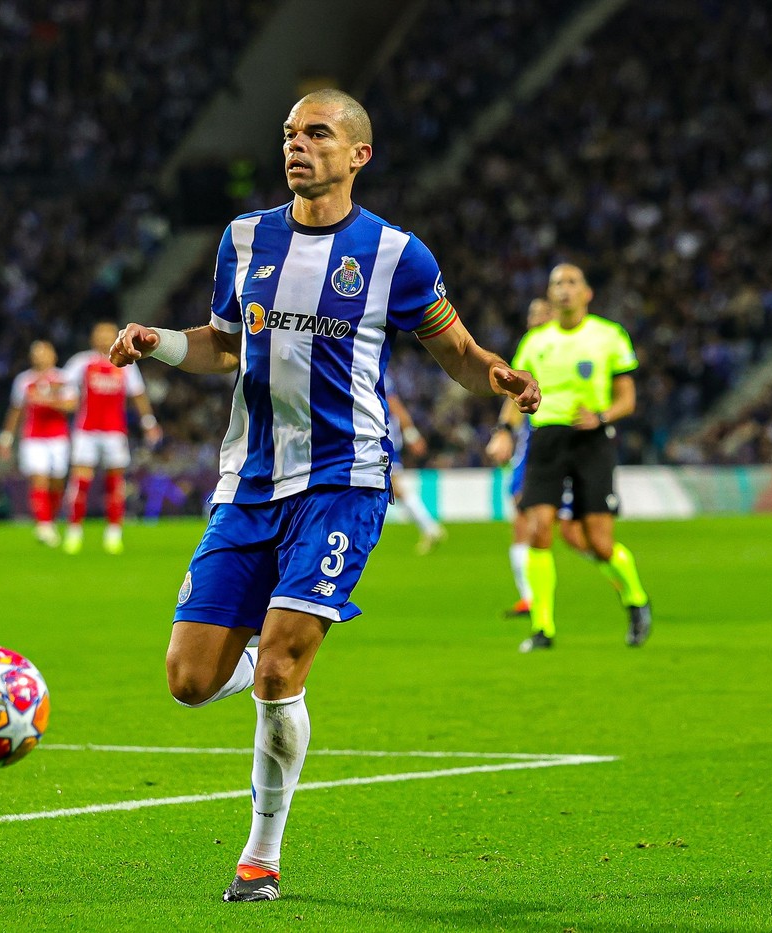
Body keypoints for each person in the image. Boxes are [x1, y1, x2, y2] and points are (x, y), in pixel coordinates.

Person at [108, 89, 540, 902]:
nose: (297, 145)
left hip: (345, 482)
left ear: (358, 155)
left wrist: (496, 373)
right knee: (189, 681)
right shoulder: (244, 239)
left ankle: (259, 856)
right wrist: (156, 342)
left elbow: (452, 347)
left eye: (317, 134)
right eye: (289, 134)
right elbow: (225, 347)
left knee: (279, 671)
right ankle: (255, 653)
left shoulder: (395, 254)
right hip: (250, 482)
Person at [490, 264, 651, 653]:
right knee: (537, 529)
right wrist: (504, 432)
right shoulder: (535, 341)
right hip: (546, 439)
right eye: (557, 284)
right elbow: (516, 394)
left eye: (571, 283)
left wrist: (603, 417)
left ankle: (635, 599)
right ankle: (543, 628)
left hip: (591, 440)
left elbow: (628, 398)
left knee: (597, 542)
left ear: (587, 293)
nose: (563, 290)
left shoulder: (609, 336)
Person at [486, 297, 589, 617]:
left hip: (570, 447)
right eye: (531, 315)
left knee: (574, 534)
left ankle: (614, 566)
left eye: (542, 314)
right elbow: (516, 396)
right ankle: (531, 599)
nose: (536, 320)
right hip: (533, 450)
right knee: (522, 519)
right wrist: (504, 430)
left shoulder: (574, 352)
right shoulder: (532, 352)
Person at [60, 321, 161, 555]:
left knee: (115, 483)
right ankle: (74, 532)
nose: (104, 338)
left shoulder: (125, 362)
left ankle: (113, 534)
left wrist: (149, 423)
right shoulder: (81, 362)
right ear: (92, 338)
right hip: (86, 431)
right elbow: (63, 386)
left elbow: (138, 394)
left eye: (108, 333)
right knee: (81, 482)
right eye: (100, 333)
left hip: (115, 432)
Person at [0, 340, 76, 546]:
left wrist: (47, 400)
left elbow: (71, 405)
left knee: (57, 481)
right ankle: (44, 525)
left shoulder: (63, 378)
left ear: (53, 356)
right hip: (33, 438)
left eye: (44, 352)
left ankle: (50, 518)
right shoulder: (24, 380)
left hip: (58, 437)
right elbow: (15, 410)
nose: (40, 356)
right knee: (38, 478)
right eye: (36, 353)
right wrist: (6, 438)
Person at [383, 373, 445, 554]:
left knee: (394, 487)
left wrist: (412, 435)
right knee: (392, 488)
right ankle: (430, 528)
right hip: (380, 437)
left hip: (383, 438)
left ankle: (431, 528)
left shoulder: (377, 371)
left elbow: (395, 406)